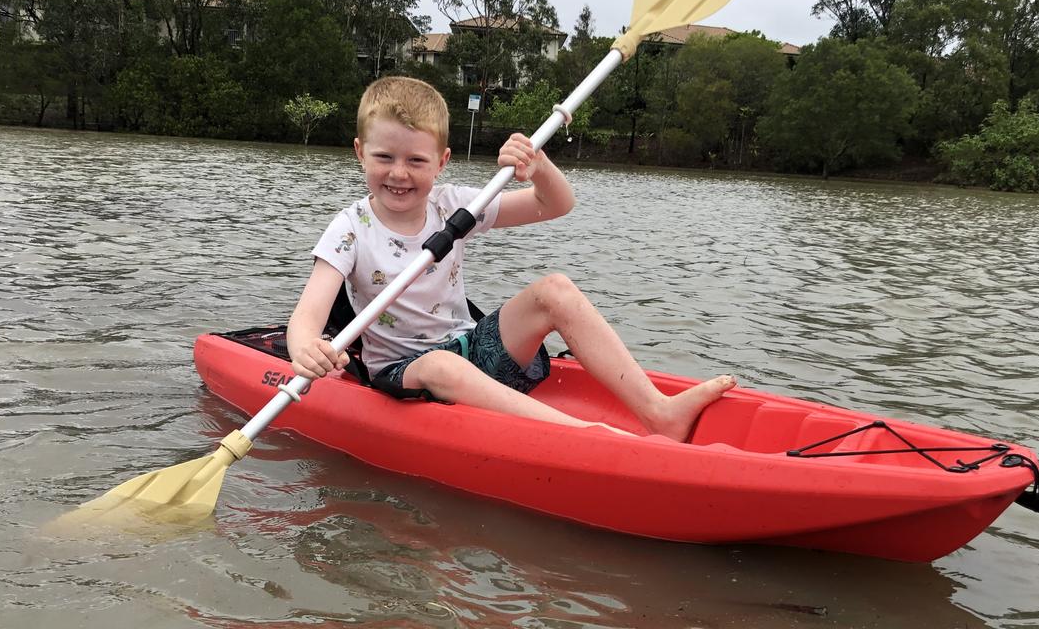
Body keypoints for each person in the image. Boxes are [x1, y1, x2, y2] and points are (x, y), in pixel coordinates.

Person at [286, 76, 734, 441]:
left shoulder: (455, 206)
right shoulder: (349, 229)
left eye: (416, 160)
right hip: (407, 374)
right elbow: (308, 317)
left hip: (472, 349)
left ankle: (659, 413)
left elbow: (555, 205)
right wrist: (307, 350)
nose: (399, 173)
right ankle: (595, 437)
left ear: (441, 162)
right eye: (384, 157)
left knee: (554, 289)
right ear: (360, 152)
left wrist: (538, 166)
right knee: (442, 365)